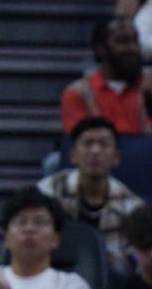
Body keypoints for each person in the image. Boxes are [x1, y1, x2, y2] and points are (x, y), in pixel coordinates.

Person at [37, 117, 143, 276]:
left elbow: (136, 261)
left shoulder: (131, 206)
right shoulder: (48, 192)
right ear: (73, 155)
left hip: (110, 283)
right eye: (87, 144)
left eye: (104, 144)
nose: (95, 151)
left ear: (116, 157)